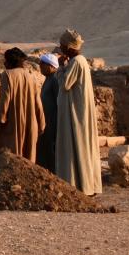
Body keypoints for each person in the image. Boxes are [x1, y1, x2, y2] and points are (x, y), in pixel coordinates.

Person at [55, 29, 102, 195]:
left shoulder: (76, 62)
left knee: (78, 148)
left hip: (76, 115)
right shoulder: (79, 61)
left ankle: (83, 186)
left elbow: (65, 84)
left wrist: (60, 67)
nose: (60, 49)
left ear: (68, 47)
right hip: (77, 112)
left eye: (62, 46)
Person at [0, 47, 45, 162]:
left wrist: (0, 120)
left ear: (10, 61)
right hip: (30, 123)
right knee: (28, 159)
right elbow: (38, 102)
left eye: (6, 60)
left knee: (10, 159)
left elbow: (4, 100)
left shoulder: (7, 75)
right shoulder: (31, 76)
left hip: (13, 123)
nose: (4, 63)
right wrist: (41, 123)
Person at [36, 53, 59, 173]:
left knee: (51, 150)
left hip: (52, 122)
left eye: (42, 64)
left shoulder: (55, 80)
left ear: (50, 66)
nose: (40, 66)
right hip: (46, 122)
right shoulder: (48, 79)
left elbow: (58, 102)